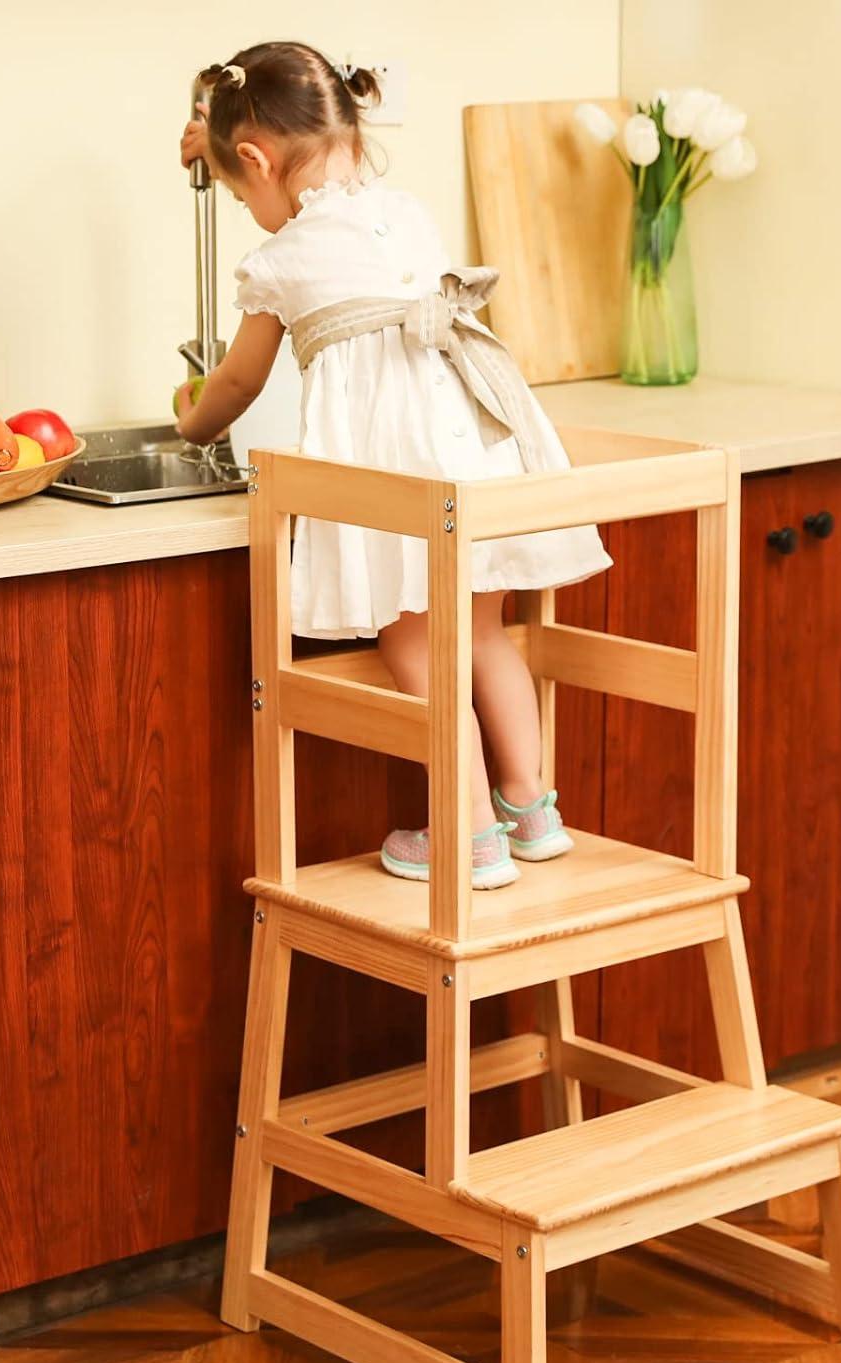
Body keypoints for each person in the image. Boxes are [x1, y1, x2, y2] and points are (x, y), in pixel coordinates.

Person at [176, 40, 612, 889]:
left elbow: (237, 378)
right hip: (471, 446)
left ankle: (468, 833)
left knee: (414, 640)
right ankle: (530, 808)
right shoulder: (407, 212)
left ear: (259, 161)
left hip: (399, 470)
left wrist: (193, 422)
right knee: (484, 633)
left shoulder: (280, 259)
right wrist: (209, 135)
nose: (245, 207)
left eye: (237, 190)